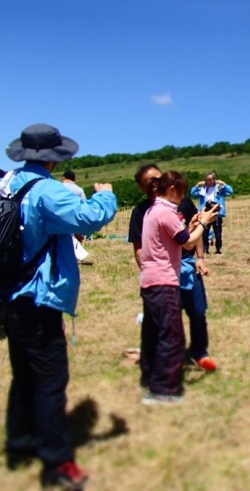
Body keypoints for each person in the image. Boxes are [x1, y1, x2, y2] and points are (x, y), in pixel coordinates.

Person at [0, 124, 117, 489]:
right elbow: (89, 218)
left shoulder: (6, 183)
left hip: (8, 294)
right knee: (51, 381)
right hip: (38, 298)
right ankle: (56, 463)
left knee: (24, 376)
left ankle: (19, 446)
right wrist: (106, 196)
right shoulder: (47, 192)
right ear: (54, 158)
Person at [128, 164, 219, 374]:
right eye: (150, 182)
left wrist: (201, 258)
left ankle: (199, 353)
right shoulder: (142, 212)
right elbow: (140, 249)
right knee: (167, 322)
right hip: (164, 275)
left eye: (158, 179)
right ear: (142, 187)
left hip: (185, 265)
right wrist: (151, 274)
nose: (156, 184)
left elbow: (187, 235)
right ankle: (163, 368)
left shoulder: (181, 202)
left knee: (197, 312)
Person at [190, 172, 233, 254]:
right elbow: (193, 193)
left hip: (216, 213)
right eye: (207, 180)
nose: (209, 182)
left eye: (210, 180)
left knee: (218, 233)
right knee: (204, 233)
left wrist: (223, 183)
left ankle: (218, 249)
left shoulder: (219, 188)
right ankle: (205, 248)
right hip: (206, 213)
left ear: (214, 179)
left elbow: (230, 191)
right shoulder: (203, 189)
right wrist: (197, 185)